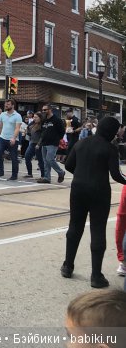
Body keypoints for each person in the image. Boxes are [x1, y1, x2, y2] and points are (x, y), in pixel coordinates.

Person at [61, 116, 126, 288]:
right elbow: (116, 175)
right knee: (98, 230)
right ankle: (96, 276)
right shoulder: (110, 149)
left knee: (75, 226)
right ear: (111, 131)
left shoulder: (81, 143)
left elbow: (68, 165)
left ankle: (68, 266)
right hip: (100, 191)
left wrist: (81, 173)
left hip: (78, 189)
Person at [37, 104, 67, 184]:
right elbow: (43, 131)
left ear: (50, 110)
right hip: (44, 143)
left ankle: (61, 172)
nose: (43, 111)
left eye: (45, 110)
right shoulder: (44, 120)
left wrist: (57, 139)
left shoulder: (57, 120)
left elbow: (62, 131)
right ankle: (47, 178)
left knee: (50, 159)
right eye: (43, 110)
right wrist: (41, 141)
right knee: (45, 161)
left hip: (53, 143)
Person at [0, 99, 21, 180]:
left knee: (13, 157)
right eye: (5, 104)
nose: (6, 106)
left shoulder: (17, 116)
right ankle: (0, 171)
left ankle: (14, 175)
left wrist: (14, 138)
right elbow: (0, 127)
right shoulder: (2, 114)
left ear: (12, 105)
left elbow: (17, 128)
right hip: (2, 137)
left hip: (12, 139)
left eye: (8, 105)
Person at [23, 111, 44, 180]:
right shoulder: (32, 123)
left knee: (40, 160)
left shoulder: (42, 125)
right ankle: (29, 173)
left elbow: (42, 136)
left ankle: (43, 175)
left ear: (40, 118)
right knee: (27, 156)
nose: (34, 118)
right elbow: (29, 130)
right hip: (32, 143)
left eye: (36, 117)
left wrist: (39, 144)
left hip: (39, 144)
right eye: (34, 117)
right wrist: (27, 131)